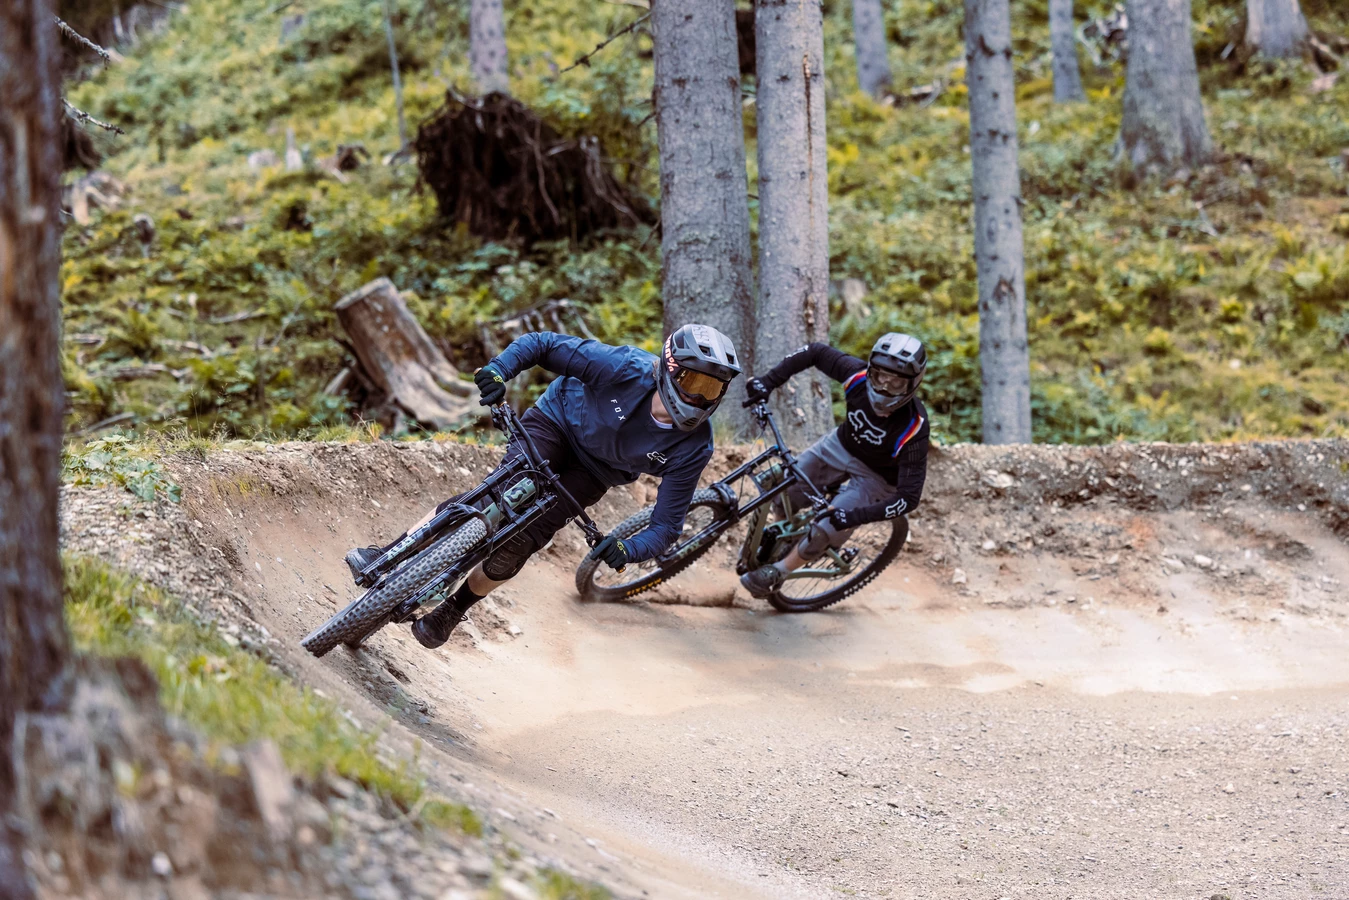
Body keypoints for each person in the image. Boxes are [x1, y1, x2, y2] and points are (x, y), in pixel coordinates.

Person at [346, 325, 742, 649]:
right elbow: (543, 344)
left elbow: (666, 527)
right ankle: (389, 554)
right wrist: (500, 370)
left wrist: (627, 549)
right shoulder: (624, 368)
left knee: (523, 541)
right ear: (669, 369)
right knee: (497, 496)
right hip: (556, 423)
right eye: (695, 382)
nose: (700, 396)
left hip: (596, 472)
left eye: (712, 389)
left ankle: (453, 609)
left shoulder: (695, 445)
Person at [739, 333, 930, 598]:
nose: (884, 387)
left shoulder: (914, 428)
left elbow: (909, 498)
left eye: (896, 383)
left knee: (826, 528)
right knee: (786, 489)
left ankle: (780, 571)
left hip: (877, 478)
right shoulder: (856, 376)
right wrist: (768, 382)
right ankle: (788, 536)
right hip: (840, 446)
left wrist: (851, 518)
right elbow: (815, 351)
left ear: (912, 384)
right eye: (879, 376)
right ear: (870, 370)